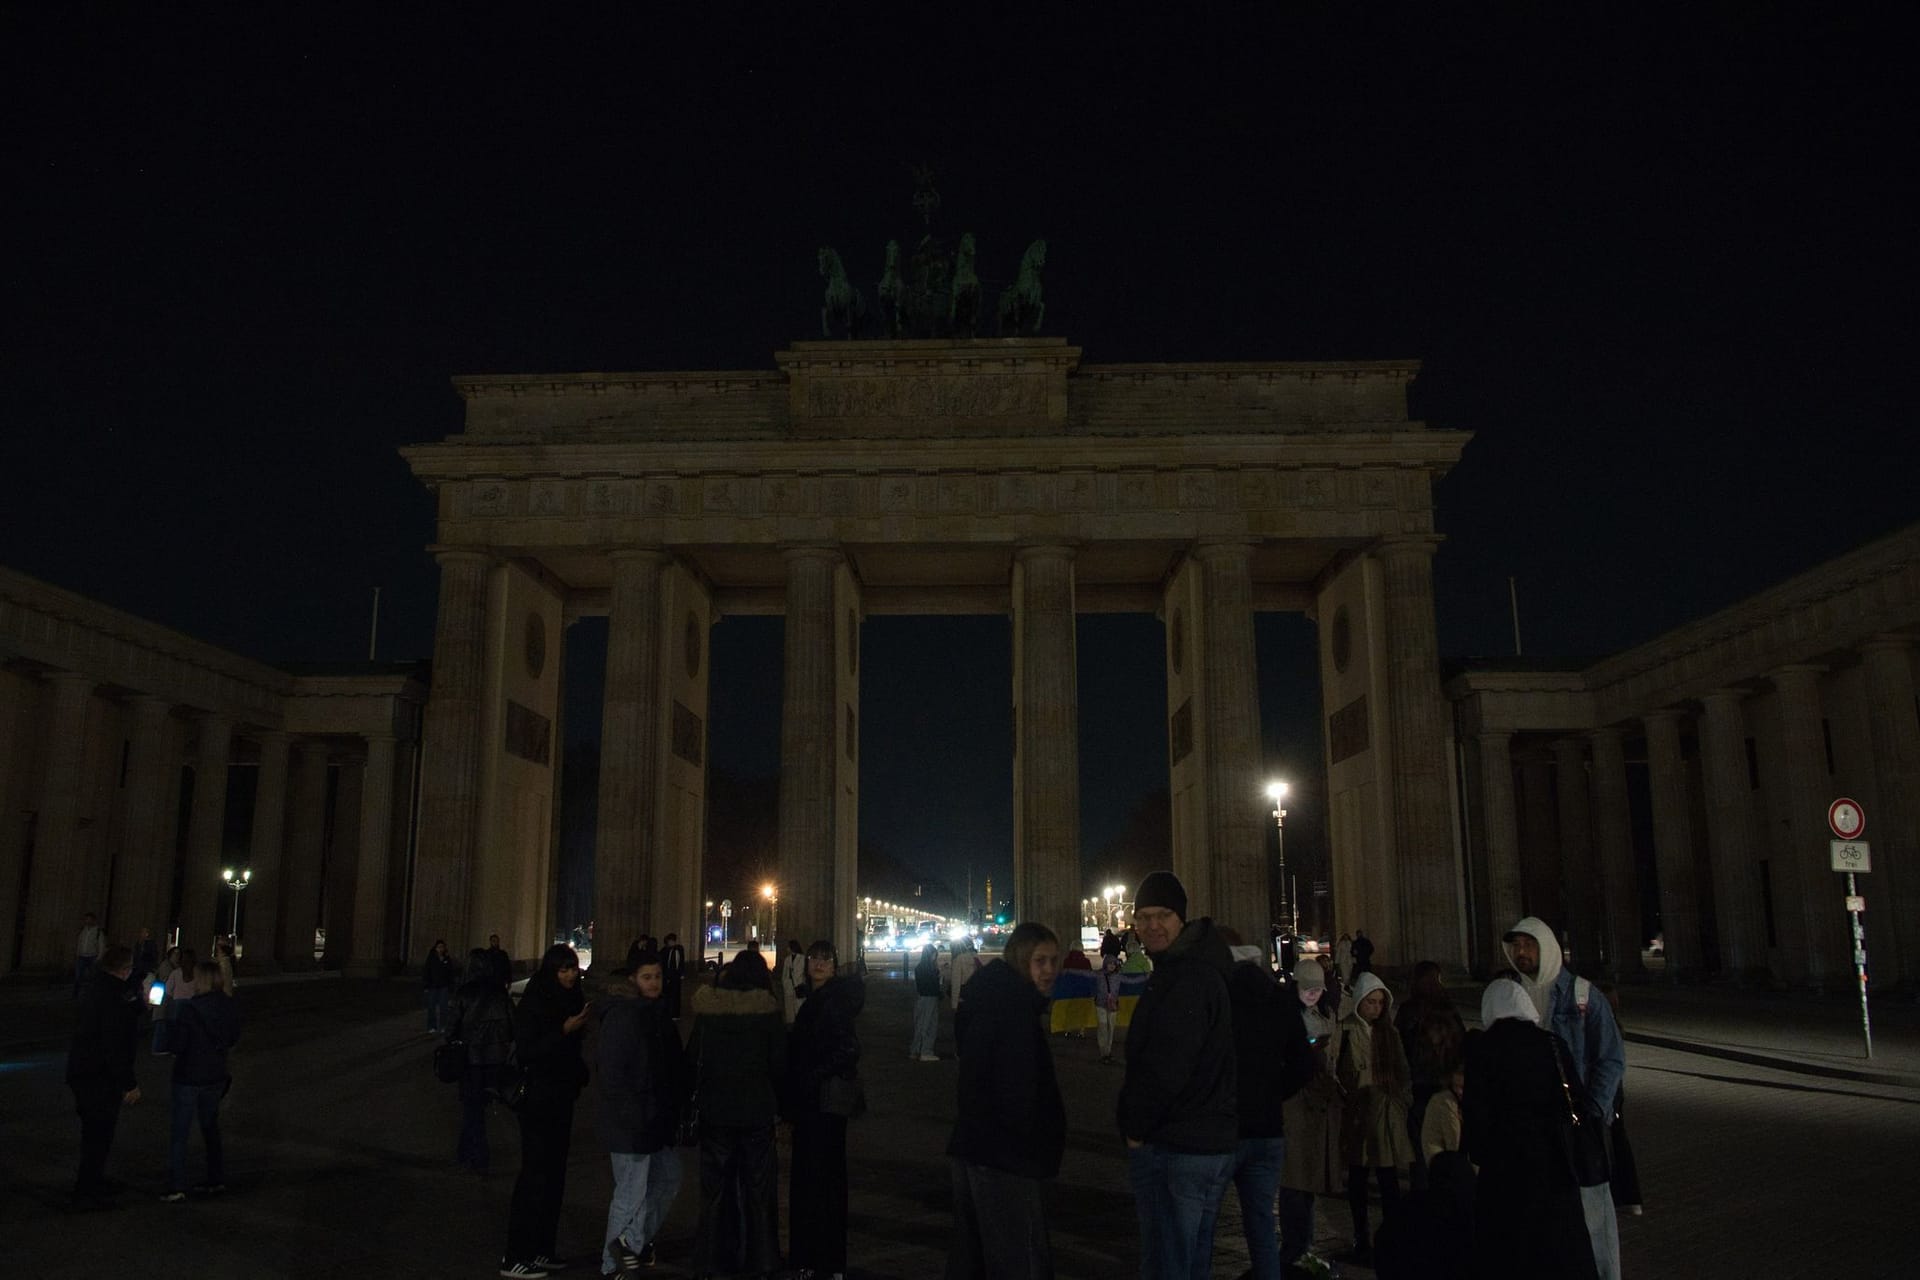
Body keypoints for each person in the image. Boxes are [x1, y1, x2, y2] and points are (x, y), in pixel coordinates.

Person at [1115, 870, 1237, 1280]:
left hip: (1181, 1142)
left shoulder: (1186, 976)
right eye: (1143, 916)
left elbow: (1168, 1066)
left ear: (1181, 918)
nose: (1151, 925)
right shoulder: (1194, 966)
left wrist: (1135, 1126)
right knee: (1191, 1260)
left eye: (1162, 915)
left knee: (1169, 1262)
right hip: (1205, 1139)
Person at [1504, 916, 1625, 1280]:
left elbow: (1611, 1057)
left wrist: (1592, 1113)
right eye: (1516, 946)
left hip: (1577, 1124)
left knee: (1592, 1216)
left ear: (1548, 947)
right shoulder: (1513, 995)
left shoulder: (1583, 996)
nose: (1521, 952)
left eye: (1529, 944)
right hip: (1535, 1127)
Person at [946, 922, 1064, 1280]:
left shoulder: (995, 1000)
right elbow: (1009, 1088)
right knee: (1019, 1260)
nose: (1048, 971)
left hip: (981, 1149)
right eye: (1039, 961)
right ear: (1020, 959)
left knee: (974, 1259)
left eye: (1053, 961)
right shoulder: (1012, 1010)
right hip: (1007, 1157)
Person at [1466, 979, 1602, 1279]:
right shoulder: (1551, 1043)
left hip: (1504, 1169)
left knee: (1509, 1252)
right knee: (1560, 1248)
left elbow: (1476, 1115)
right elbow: (1576, 1100)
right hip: (1553, 1163)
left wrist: (1479, 1153)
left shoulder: (1482, 1049)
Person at [1216, 930, 1315, 1280]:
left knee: (1202, 1224)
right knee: (1260, 1223)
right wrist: (1273, 1093)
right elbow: (1305, 1065)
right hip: (1269, 1129)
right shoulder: (1280, 1000)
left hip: (1223, 1128)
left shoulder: (1217, 1000)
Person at [689, 952, 786, 1279]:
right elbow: (780, 1066)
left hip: (715, 1113)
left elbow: (692, 1061)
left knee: (715, 1192)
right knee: (759, 1191)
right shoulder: (767, 1013)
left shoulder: (707, 1014)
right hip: (757, 1113)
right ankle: (763, 1260)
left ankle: (712, 1262)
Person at [501, 944, 592, 1279]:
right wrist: (564, 1031)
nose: (569, 975)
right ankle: (514, 1255)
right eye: (563, 969)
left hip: (561, 1098)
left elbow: (570, 1053)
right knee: (534, 1176)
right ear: (551, 971)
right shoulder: (536, 1001)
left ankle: (541, 1250)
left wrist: (580, 1071)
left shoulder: (572, 999)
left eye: (572, 969)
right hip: (537, 1099)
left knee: (554, 1177)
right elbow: (529, 1050)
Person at [598, 949, 688, 1275]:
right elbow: (612, 1075)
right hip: (632, 1122)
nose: (654, 983)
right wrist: (636, 1113)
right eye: (647, 977)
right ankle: (616, 1265)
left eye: (658, 977)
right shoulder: (625, 1016)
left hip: (655, 1120)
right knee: (630, 1195)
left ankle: (635, 1245)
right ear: (633, 980)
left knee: (669, 1179)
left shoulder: (655, 1014)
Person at [786, 939, 866, 1280]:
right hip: (820, 1105)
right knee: (823, 1181)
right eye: (814, 958)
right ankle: (825, 1260)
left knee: (816, 1182)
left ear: (834, 966)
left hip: (820, 1104)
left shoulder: (830, 1002)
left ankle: (816, 1259)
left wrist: (810, 1075)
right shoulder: (822, 999)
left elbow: (848, 1048)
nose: (819, 964)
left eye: (825, 959)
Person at [1337, 971, 1413, 1265]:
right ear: (1359, 1003)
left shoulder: (1389, 1034)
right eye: (1371, 1002)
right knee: (1357, 1179)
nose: (1376, 1008)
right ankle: (1361, 1237)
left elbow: (1403, 1071)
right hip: (1359, 1115)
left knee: (1388, 1178)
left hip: (1386, 1115)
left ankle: (1392, 1236)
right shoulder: (1346, 1030)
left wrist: (1402, 1102)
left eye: (1380, 1003)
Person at [1279, 960, 1343, 1272]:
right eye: (1307, 989)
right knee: (1295, 1178)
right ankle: (1293, 1248)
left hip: (1321, 1103)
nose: (1313, 995)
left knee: (1311, 1178)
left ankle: (1303, 1245)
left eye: (1318, 989)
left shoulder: (1327, 1013)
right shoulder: (1286, 1016)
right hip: (1295, 1101)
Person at [66, 943, 141, 1205]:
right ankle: (88, 1188)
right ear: (124, 969)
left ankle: (91, 1181)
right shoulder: (115, 996)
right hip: (99, 1076)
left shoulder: (94, 988)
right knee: (100, 1133)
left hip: (82, 1070)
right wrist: (128, 1083)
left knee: (92, 1133)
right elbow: (114, 1044)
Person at [163, 959, 238, 1200]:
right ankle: (215, 1179)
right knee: (210, 1128)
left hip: (189, 1075)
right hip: (215, 1075)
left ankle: (176, 1186)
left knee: (180, 1132)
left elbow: (177, 1045)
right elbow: (233, 1038)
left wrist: (169, 1027)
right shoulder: (228, 1005)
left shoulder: (189, 1009)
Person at [1394, 960, 1465, 1189]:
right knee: (1448, 1143)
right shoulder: (1448, 1009)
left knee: (1421, 1147)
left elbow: (1399, 1048)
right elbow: (1461, 1046)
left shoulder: (1408, 1011)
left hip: (1419, 1088)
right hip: (1444, 1088)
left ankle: (1424, 1195)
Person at [447, 947, 514, 1176]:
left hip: (471, 1059)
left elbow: (451, 1029)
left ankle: (478, 1155)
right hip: (496, 1059)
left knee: (472, 1108)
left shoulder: (463, 993)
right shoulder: (500, 993)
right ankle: (464, 1150)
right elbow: (513, 1026)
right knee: (479, 1106)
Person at [909, 943, 942, 1061]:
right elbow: (934, 985)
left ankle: (915, 1050)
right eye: (934, 955)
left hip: (921, 998)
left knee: (919, 1024)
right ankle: (926, 1051)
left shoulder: (919, 968)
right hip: (930, 998)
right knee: (929, 1025)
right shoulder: (931, 969)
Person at [1093, 950, 1123, 1063]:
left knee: (1110, 1029)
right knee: (1103, 1028)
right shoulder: (1099, 974)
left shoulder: (1119, 976)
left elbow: (1132, 981)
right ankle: (1104, 1053)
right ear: (1105, 964)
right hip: (1100, 1004)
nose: (1111, 965)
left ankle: (1108, 1051)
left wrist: (1146, 977)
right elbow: (1084, 974)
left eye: (1113, 964)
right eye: (1110, 963)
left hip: (1113, 1005)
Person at [423, 938, 457, 1036]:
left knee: (444, 1008)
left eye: (442, 947)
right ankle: (432, 1026)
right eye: (439, 947)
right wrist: (426, 985)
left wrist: (451, 986)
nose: (440, 949)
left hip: (443, 986)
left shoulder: (447, 959)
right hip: (433, 986)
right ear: (436, 948)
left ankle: (443, 1026)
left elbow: (450, 973)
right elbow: (427, 971)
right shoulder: (431, 958)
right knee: (431, 1007)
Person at [74, 911, 104, 997]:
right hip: (81, 956)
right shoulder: (83, 930)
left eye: (89, 920)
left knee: (92, 977)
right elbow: (79, 942)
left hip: (92, 957)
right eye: (86, 920)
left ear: (93, 920)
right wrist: (78, 953)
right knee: (78, 976)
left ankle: (91, 994)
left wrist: (98, 958)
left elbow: (101, 945)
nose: (87, 921)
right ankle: (76, 993)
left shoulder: (98, 932)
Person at [948, 936, 980, 1014]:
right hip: (975, 994)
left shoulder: (958, 959)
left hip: (963, 996)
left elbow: (956, 982)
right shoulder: (975, 957)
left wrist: (954, 1004)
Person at [782, 939, 808, 1025]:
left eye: (788, 947)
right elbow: (784, 973)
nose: (787, 949)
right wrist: (785, 982)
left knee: (799, 1006)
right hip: (789, 984)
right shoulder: (787, 959)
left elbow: (802, 971)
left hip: (799, 984)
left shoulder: (802, 958)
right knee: (789, 1007)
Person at [661, 933, 687, 1019]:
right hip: (669, 974)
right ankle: (670, 1012)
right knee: (669, 994)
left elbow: (681, 961)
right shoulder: (666, 950)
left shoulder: (678, 949)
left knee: (675, 994)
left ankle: (675, 1013)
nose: (670, 943)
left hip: (676, 975)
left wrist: (682, 973)